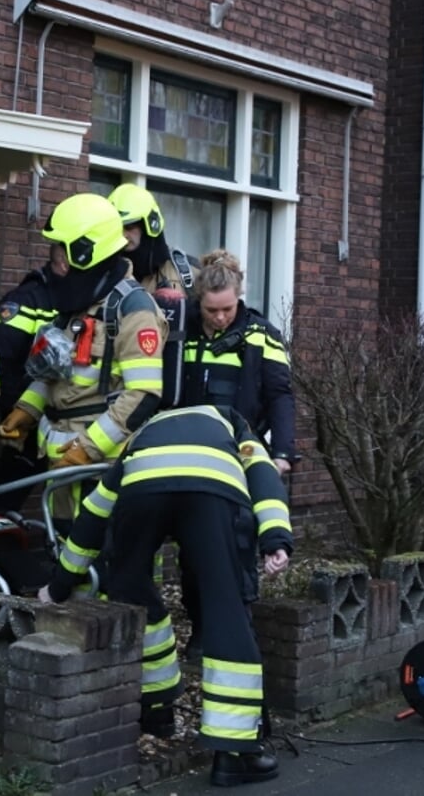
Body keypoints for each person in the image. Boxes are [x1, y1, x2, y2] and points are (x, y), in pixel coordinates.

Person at [37, 404, 293, 788]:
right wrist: (276, 539)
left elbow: (94, 513)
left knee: (132, 592)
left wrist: (58, 587)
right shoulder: (233, 421)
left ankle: (155, 711)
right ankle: (235, 754)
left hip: (144, 485)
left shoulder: (144, 434)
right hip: (212, 489)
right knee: (224, 605)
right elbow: (263, 475)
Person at [0, 193, 165, 512]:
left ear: (85, 252)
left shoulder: (134, 308)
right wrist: (24, 412)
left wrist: (86, 449)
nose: (54, 261)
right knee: (63, 552)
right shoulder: (78, 305)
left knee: (97, 556)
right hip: (63, 461)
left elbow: (144, 394)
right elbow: (54, 371)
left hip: (102, 470)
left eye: (60, 251)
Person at [177, 249, 297, 659]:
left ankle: (237, 630)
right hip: (189, 455)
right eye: (212, 310)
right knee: (192, 548)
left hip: (239, 455)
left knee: (238, 545)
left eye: (227, 308)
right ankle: (200, 632)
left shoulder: (263, 335)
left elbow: (281, 396)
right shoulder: (182, 330)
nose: (220, 318)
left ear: (238, 297)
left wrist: (281, 452)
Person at [0, 247, 69, 510]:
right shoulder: (27, 299)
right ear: (64, 262)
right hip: (29, 422)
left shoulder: (75, 298)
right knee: (2, 501)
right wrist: (17, 417)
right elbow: (2, 364)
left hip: (60, 420)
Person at [107, 183, 198, 301]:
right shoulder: (100, 276)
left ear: (150, 225)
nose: (123, 234)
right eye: (117, 228)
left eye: (129, 227)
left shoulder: (190, 273)